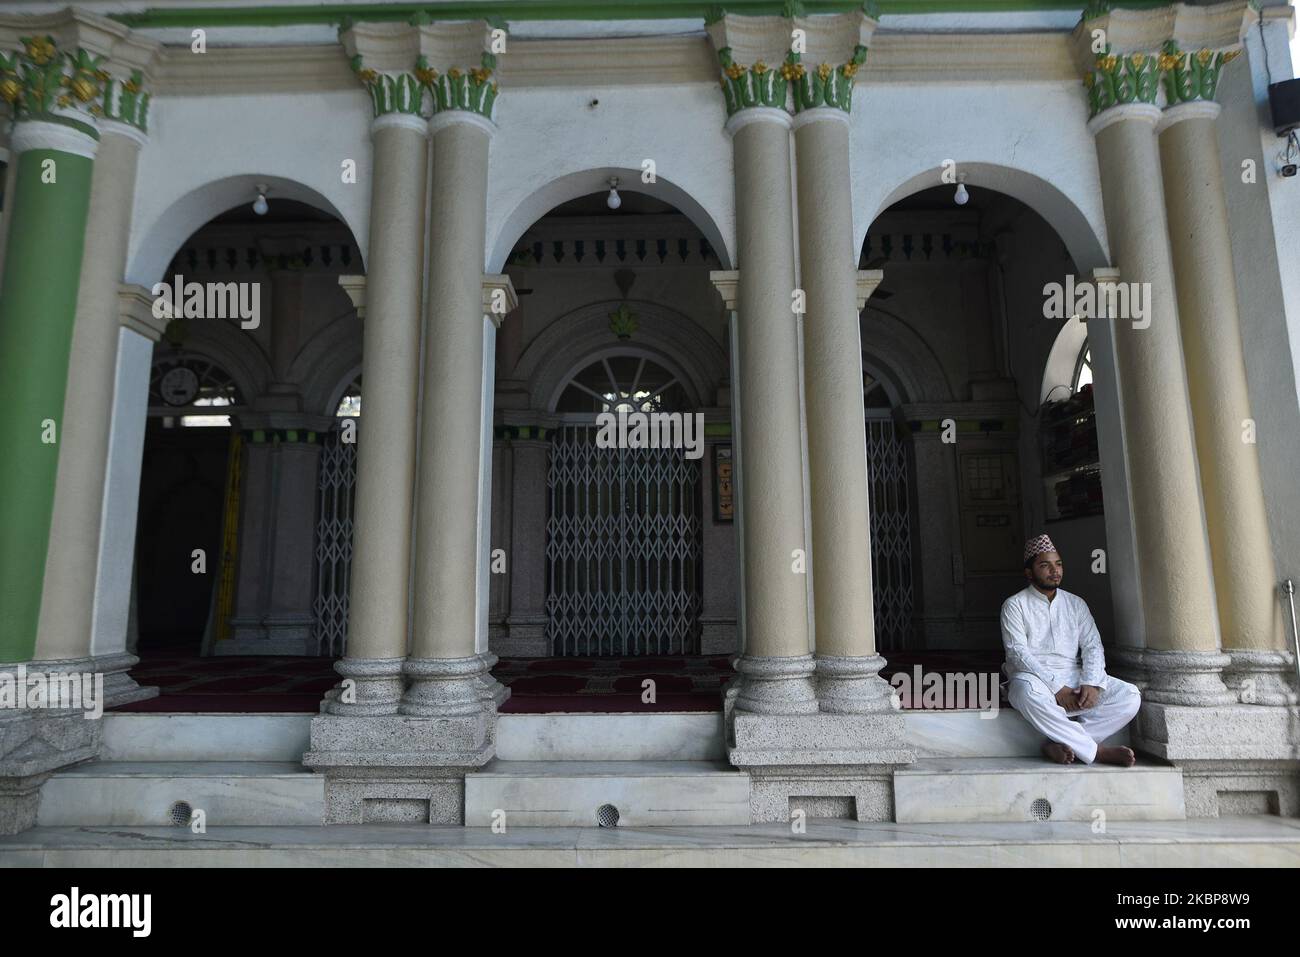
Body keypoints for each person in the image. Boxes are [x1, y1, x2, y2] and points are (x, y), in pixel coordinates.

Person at [1000, 535, 1140, 766]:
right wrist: (1057, 688)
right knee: (1024, 694)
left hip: (1073, 674)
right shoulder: (1015, 605)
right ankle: (1096, 752)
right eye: (1045, 565)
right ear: (1029, 573)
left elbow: (1093, 646)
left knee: (1130, 696)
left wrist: (1092, 683)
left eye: (1058, 564)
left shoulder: (1076, 603)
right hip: (1033, 678)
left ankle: (1059, 743)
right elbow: (1018, 654)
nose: (1054, 571)